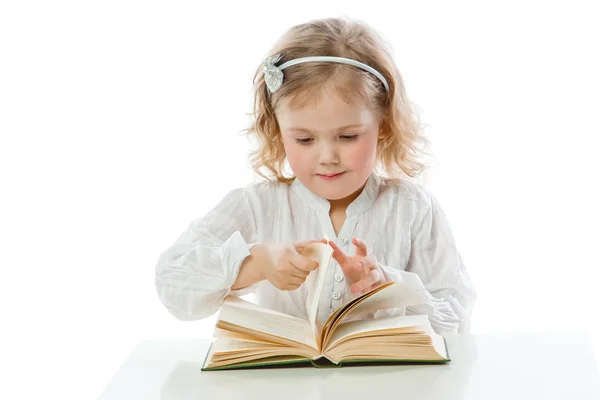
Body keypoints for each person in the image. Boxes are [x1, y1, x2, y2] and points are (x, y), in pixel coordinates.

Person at [155, 17, 476, 335]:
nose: (327, 157)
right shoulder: (257, 206)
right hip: (278, 386)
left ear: (384, 124)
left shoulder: (412, 209)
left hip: (386, 387)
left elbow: (457, 320)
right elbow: (172, 281)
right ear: (277, 131)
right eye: (305, 140)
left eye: (348, 136)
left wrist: (389, 287)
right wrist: (255, 263)